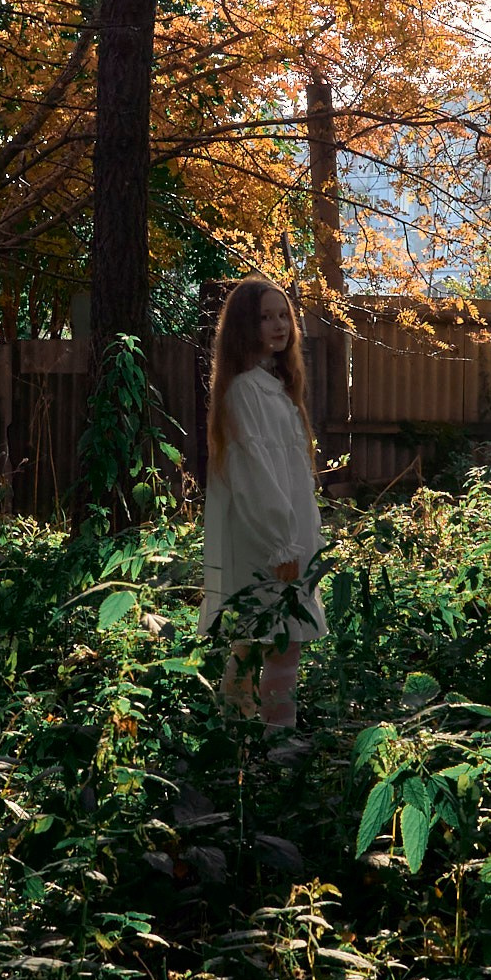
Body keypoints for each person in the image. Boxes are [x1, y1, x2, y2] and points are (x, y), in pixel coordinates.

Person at [200, 277, 324, 733]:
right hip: (268, 542)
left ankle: (254, 737)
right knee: (270, 637)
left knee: (272, 639)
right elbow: (254, 477)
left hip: (286, 537)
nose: (278, 326)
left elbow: (288, 475)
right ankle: (269, 740)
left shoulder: (274, 387)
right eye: (265, 317)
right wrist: (281, 543)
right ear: (242, 327)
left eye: (283, 316)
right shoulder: (245, 391)